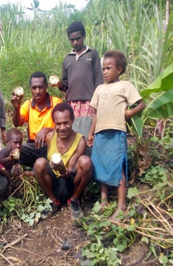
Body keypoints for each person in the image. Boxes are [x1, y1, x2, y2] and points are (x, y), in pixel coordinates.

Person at [87, 50, 146, 220]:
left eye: (108, 68)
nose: (104, 71)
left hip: (116, 132)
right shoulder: (99, 88)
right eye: (103, 68)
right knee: (101, 165)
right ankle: (103, 201)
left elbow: (141, 104)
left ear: (119, 69)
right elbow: (95, 114)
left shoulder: (125, 86)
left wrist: (129, 113)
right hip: (100, 133)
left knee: (118, 165)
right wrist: (91, 133)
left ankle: (121, 205)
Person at [33, 103, 92, 220]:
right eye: (58, 124)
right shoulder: (50, 137)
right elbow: (45, 166)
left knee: (86, 161)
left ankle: (74, 200)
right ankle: (53, 200)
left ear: (72, 120)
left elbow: (69, 171)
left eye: (66, 123)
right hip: (54, 181)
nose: (62, 127)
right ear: (54, 123)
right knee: (39, 163)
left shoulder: (80, 141)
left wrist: (63, 171)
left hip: (70, 180)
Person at [55, 21, 103, 139]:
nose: (75, 42)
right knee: (73, 138)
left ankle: (87, 157)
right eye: (72, 40)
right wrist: (60, 84)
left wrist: (98, 101)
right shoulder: (67, 58)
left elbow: (98, 80)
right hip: (72, 103)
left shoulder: (92, 54)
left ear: (84, 36)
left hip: (89, 102)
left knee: (87, 136)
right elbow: (65, 84)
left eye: (78, 38)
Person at [11, 71, 63, 167]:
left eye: (41, 87)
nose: (37, 91)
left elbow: (65, 127)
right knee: (12, 151)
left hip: (51, 145)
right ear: (30, 88)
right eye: (34, 88)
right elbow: (17, 123)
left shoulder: (56, 103)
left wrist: (47, 130)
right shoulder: (28, 104)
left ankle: (49, 168)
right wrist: (16, 108)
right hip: (33, 146)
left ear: (46, 86)